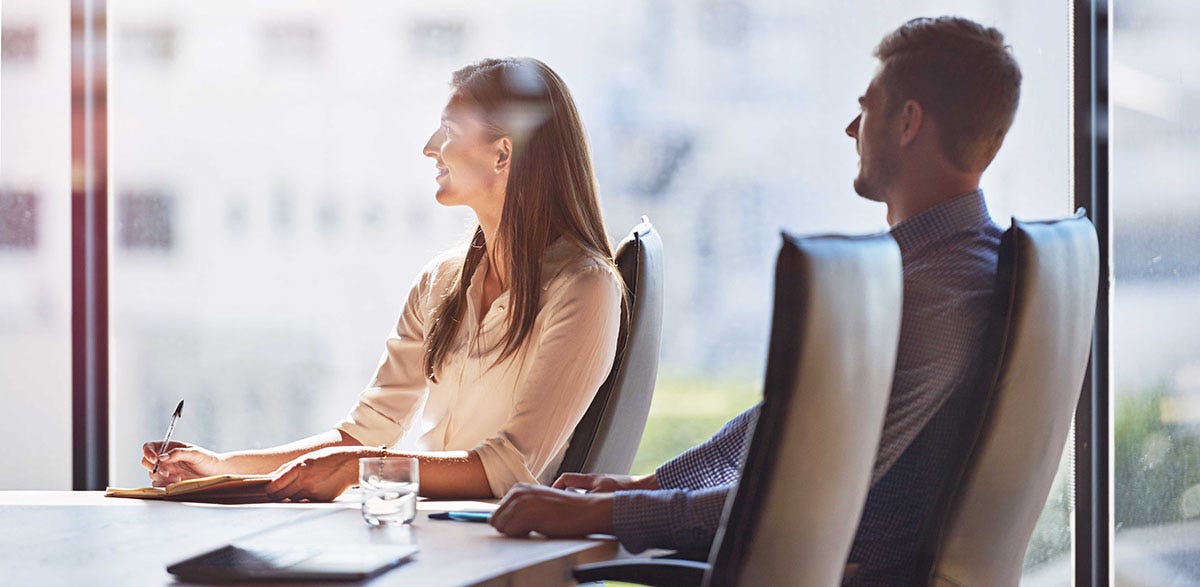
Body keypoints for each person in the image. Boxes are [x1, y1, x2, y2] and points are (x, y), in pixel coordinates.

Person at [489, 16, 1021, 584]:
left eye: (866, 107)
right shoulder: (958, 265)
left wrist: (609, 514)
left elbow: (799, 492)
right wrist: (645, 487)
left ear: (908, 122)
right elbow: (785, 429)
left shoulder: (939, 297)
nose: (850, 128)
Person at [142, 57, 624, 502]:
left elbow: (509, 468)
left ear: (503, 154)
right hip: (430, 538)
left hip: (506, 557)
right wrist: (221, 466)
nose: (430, 147)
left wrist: (360, 468)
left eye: (449, 130)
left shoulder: (584, 288)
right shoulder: (441, 283)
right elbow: (365, 430)